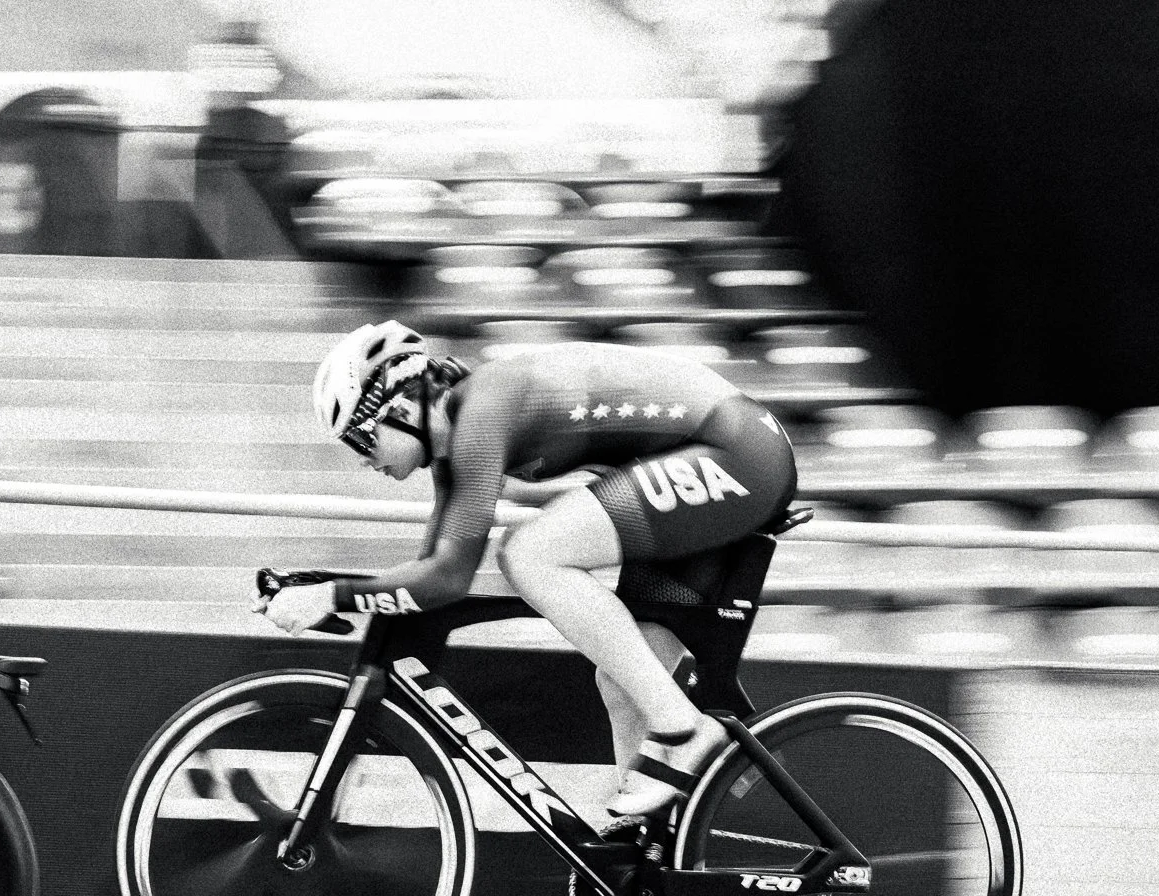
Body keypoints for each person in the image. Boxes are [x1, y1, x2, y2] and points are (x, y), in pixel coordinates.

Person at [277, 321, 797, 823]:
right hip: (717, 455)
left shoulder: (481, 414)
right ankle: (649, 858)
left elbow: (448, 578)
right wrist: (322, 587)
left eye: (362, 439)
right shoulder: (459, 442)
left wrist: (334, 596)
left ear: (401, 406)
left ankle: (684, 732)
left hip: (739, 451)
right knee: (623, 678)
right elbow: (429, 573)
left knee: (529, 551)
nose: (364, 459)